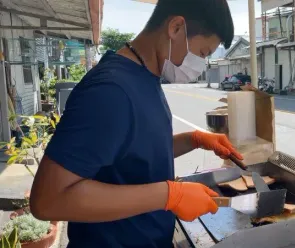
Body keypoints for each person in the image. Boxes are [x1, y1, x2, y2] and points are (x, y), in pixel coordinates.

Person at [29, 0, 240, 247]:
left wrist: (193, 140)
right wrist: (170, 195)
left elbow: (133, 153)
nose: (200, 66)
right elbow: (48, 200)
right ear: (175, 27)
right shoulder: (111, 91)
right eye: (202, 53)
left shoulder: (145, 75)